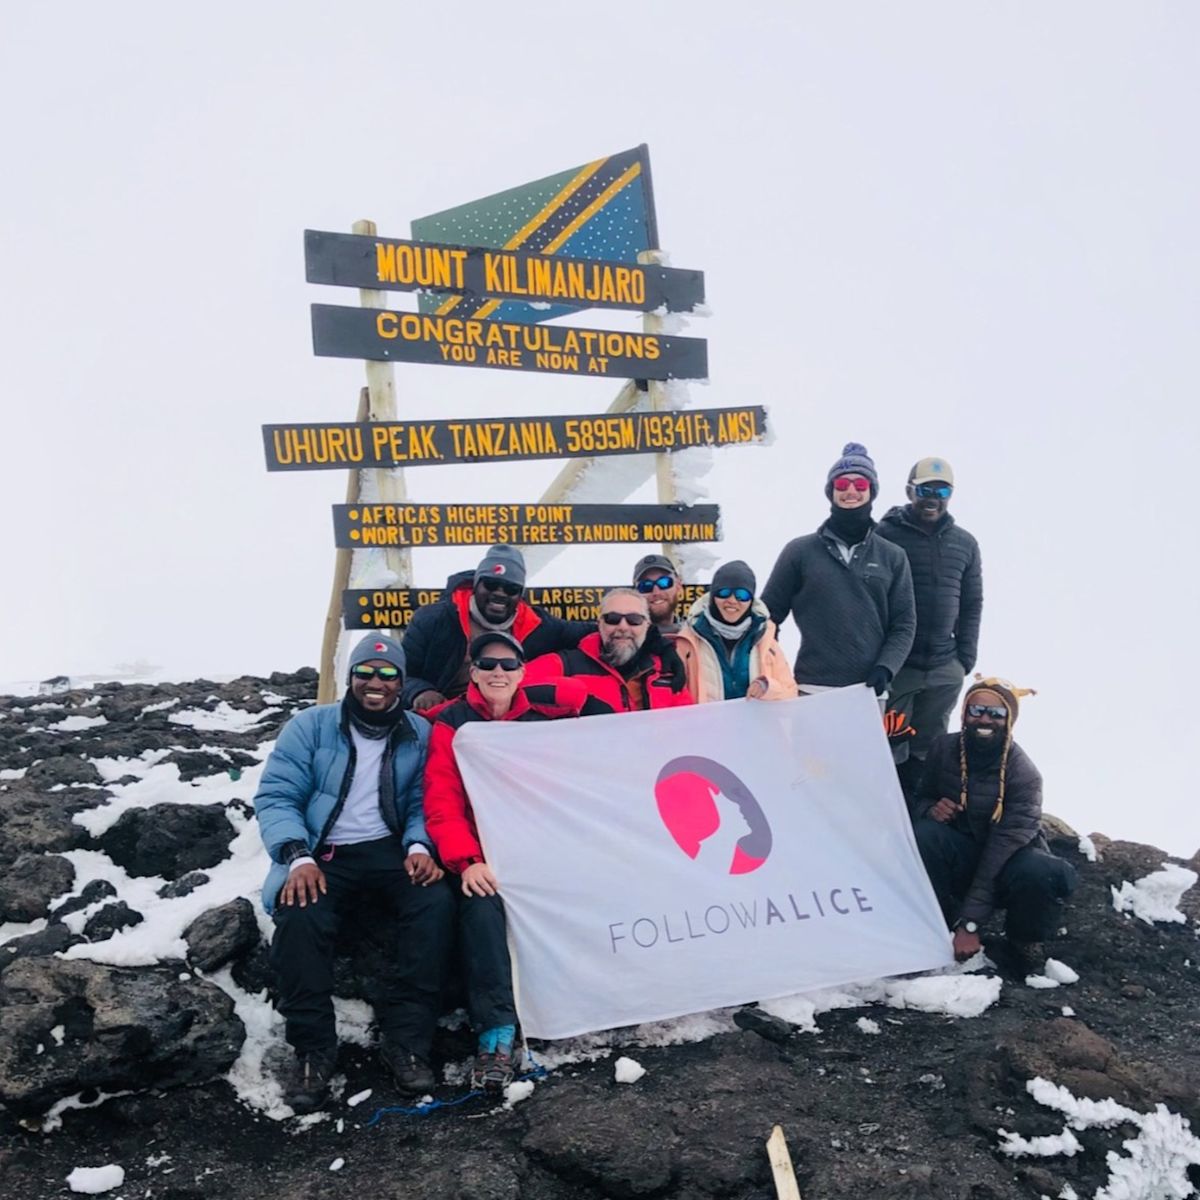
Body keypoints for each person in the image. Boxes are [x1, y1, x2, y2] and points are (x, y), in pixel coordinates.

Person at [253, 634, 454, 1114]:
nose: (375, 682)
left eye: (388, 675)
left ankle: (407, 1042)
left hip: (391, 850)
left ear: (402, 683)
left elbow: (426, 801)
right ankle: (313, 1048)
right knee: (300, 916)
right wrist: (296, 855)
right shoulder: (311, 727)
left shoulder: (419, 733)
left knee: (435, 905)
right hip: (323, 851)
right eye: (366, 672)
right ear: (351, 677)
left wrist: (421, 843)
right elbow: (277, 797)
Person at [422, 633, 597, 1093]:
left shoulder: (543, 710)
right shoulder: (452, 725)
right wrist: (467, 861)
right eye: (487, 664)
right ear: (472, 672)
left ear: (523, 672)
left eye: (508, 665)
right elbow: (442, 803)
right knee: (480, 910)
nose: (498, 673)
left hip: (542, 844)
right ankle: (496, 1035)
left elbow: (591, 704)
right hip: (485, 854)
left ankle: (590, 1002)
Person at [910, 676, 1077, 975]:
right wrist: (931, 809)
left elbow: (997, 854)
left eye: (996, 713)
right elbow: (920, 796)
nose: (984, 719)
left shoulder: (1024, 775)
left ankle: (1024, 943)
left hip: (1008, 864)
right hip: (963, 853)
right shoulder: (943, 748)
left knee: (1041, 872)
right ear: (964, 713)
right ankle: (932, 925)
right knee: (925, 834)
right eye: (976, 710)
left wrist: (970, 924)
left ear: (1009, 720)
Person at [761, 442, 917, 698]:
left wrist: (886, 668)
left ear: (872, 491)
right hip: (810, 688)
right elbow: (768, 616)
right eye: (842, 485)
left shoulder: (893, 556)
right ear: (831, 491)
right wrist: (772, 666)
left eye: (860, 485)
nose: (851, 491)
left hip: (869, 690)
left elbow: (904, 623)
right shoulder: (800, 551)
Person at [878, 457, 984, 797]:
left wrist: (964, 659)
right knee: (886, 745)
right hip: (898, 667)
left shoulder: (965, 543)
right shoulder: (885, 534)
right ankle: (886, 819)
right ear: (910, 490)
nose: (932, 497)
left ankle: (921, 818)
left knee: (931, 750)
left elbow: (972, 603)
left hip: (943, 666)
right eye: (925, 489)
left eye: (941, 490)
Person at [400, 545, 592, 712]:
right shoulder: (433, 619)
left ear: (520, 595)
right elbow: (399, 672)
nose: (499, 593)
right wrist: (421, 691)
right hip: (444, 713)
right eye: (491, 584)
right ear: (476, 585)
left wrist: (617, 620)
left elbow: (591, 633)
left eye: (511, 589)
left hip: (509, 718)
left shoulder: (538, 624)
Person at [524, 588, 694, 713]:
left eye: (634, 620)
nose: (622, 627)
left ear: (647, 626)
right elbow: (507, 686)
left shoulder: (665, 672)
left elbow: (688, 730)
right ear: (599, 623)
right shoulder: (566, 664)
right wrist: (575, 697)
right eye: (613, 619)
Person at [673, 561, 797, 702]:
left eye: (741, 595)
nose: (732, 600)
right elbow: (675, 697)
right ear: (713, 596)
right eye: (724, 593)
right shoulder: (689, 640)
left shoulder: (765, 639)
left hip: (754, 724)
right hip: (706, 724)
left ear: (751, 600)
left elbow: (790, 693)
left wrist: (767, 687)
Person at [633, 552, 684, 635]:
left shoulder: (697, 636)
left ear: (678, 585)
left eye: (664, 582)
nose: (656, 592)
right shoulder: (628, 639)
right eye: (646, 585)